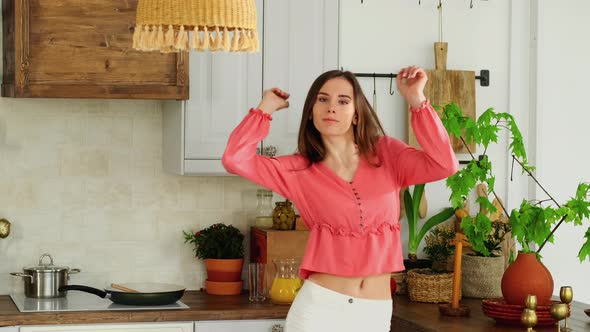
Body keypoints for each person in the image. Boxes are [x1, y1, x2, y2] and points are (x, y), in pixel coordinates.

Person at [222, 66, 458, 331]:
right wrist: (265, 108)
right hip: (320, 308)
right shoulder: (297, 170)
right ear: (311, 112)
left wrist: (417, 99)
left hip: (375, 311)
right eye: (322, 99)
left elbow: (444, 165)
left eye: (343, 101)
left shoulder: (387, 153)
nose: (331, 107)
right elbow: (234, 159)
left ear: (357, 115)